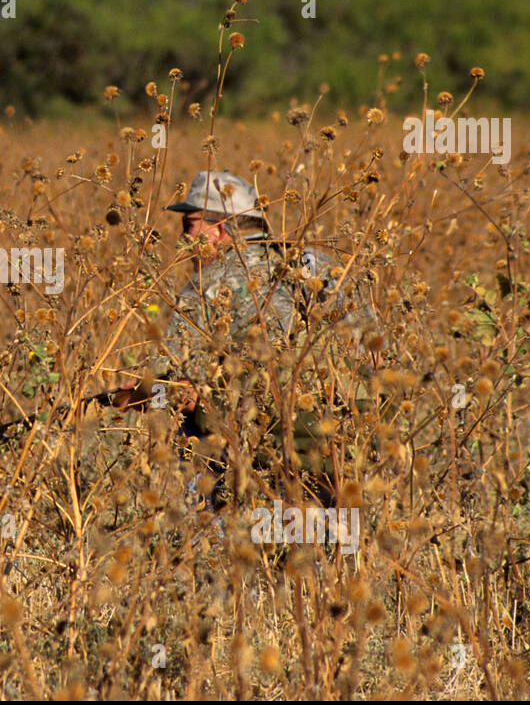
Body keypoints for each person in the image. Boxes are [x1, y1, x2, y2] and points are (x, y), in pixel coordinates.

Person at [112, 169, 379, 510]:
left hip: (253, 473)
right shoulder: (318, 264)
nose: (183, 239)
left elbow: (180, 391)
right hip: (343, 459)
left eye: (189, 225)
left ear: (218, 228)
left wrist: (135, 397)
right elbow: (375, 356)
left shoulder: (206, 284)